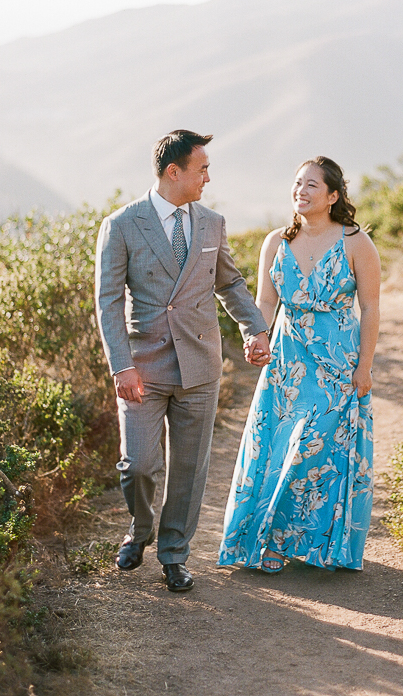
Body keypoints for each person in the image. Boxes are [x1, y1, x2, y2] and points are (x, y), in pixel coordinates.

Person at [95, 130, 272, 592]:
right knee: (137, 465)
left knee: (190, 468)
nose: (208, 177)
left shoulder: (212, 223)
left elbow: (229, 284)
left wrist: (254, 327)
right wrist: (121, 365)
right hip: (143, 366)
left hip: (200, 363)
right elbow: (108, 302)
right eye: (202, 169)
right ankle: (140, 528)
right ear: (174, 172)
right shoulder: (122, 224)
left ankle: (174, 554)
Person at [219, 156, 380, 573]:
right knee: (278, 448)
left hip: (336, 363)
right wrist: (256, 336)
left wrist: (364, 366)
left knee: (317, 450)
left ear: (332, 195)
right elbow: (266, 302)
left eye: (312, 185)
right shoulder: (275, 241)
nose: (301, 191)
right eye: (297, 183)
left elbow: (372, 306)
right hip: (288, 364)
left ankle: (314, 544)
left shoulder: (355, 242)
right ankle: (270, 540)